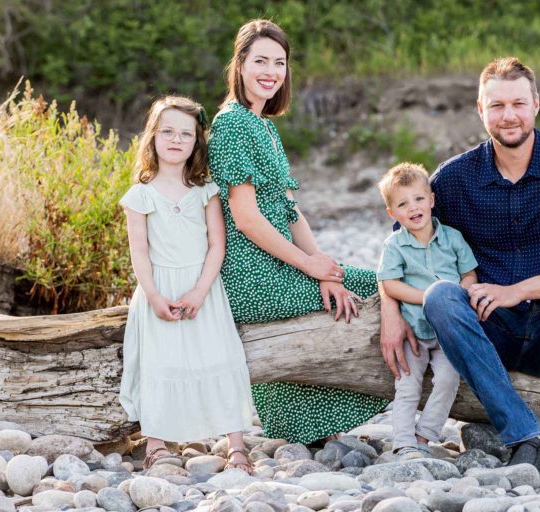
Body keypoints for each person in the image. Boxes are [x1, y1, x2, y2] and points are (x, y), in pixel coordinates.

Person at [379, 57, 540, 475]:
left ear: (536, 105)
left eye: (518, 104)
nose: (509, 116)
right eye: (498, 105)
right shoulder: (452, 179)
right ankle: (524, 436)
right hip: (492, 331)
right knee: (441, 296)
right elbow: (397, 244)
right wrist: (390, 313)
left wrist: (517, 289)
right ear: (480, 110)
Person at [207, 19, 388, 444]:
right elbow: (247, 218)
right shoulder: (231, 124)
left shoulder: (265, 126)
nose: (270, 71)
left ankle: (298, 423)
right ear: (240, 64)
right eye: (260, 61)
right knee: (379, 286)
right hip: (251, 274)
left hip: (280, 263)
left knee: (354, 280)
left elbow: (290, 212)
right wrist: (312, 267)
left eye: (280, 62)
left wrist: (325, 267)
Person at [119, 96, 253, 472]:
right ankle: (157, 443)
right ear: (153, 137)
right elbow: (140, 253)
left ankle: (236, 443)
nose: (176, 140)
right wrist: (153, 295)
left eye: (186, 134)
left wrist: (199, 290)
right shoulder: (140, 196)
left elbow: (217, 244)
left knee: (219, 357)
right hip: (158, 287)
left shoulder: (205, 191)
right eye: (168, 132)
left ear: (196, 142)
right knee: (158, 364)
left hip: (203, 289)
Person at [376, 162, 477, 460]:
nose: (414, 208)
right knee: (407, 386)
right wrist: (429, 297)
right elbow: (390, 284)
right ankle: (403, 442)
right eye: (403, 204)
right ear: (392, 214)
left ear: (432, 200)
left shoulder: (453, 239)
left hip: (447, 332)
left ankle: (425, 436)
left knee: (448, 380)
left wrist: (463, 295)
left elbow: (469, 273)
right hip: (413, 332)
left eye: (419, 199)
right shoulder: (395, 245)